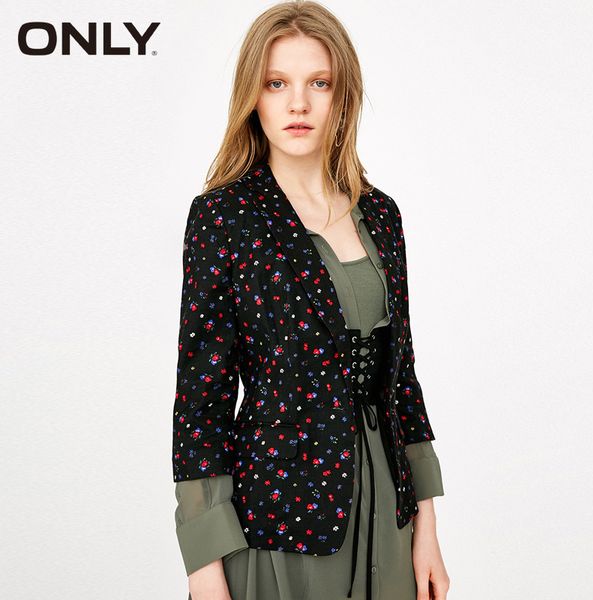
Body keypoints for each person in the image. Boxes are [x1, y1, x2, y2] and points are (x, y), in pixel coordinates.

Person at [172, 2, 450, 599]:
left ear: (342, 95)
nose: (297, 103)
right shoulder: (224, 217)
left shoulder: (381, 214)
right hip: (280, 517)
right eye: (277, 83)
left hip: (389, 508)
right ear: (253, 96)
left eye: (318, 83)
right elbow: (201, 401)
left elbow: (402, 379)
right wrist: (203, 564)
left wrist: (427, 527)